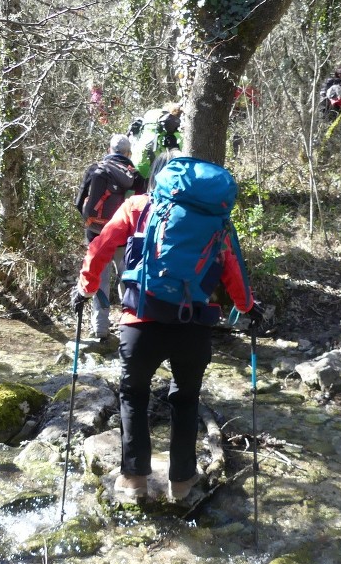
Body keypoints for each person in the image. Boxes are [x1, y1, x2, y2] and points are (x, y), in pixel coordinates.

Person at [70, 151, 264, 502]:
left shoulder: (138, 207)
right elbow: (233, 269)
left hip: (141, 321)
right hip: (193, 326)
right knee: (186, 401)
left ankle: (133, 480)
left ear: (158, 178)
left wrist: (85, 288)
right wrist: (248, 307)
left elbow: (100, 248)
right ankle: (181, 483)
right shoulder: (215, 218)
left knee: (133, 397)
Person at [78, 134, 145, 339]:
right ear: (128, 153)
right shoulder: (136, 177)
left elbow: (79, 201)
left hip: (97, 234)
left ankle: (100, 329)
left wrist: (91, 223)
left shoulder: (96, 170)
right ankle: (129, 325)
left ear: (109, 149)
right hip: (125, 237)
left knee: (99, 279)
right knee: (127, 279)